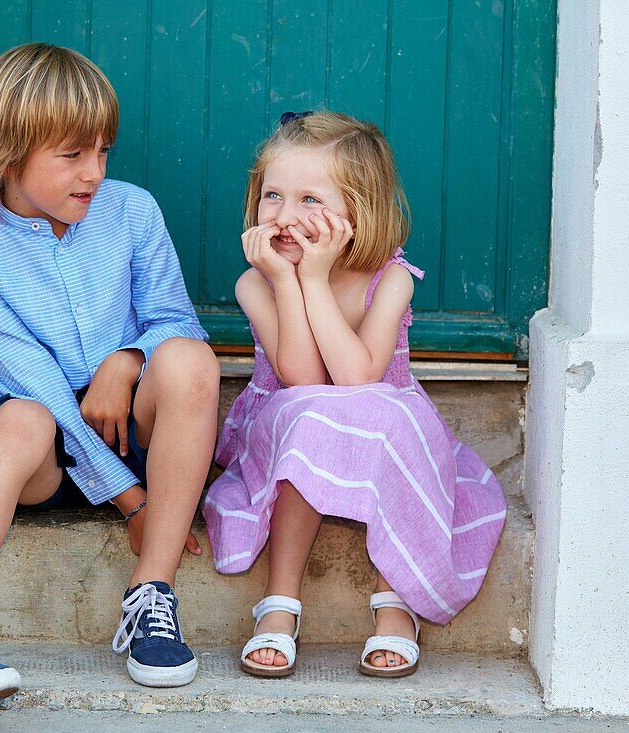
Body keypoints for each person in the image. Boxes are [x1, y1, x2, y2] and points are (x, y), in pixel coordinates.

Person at [0, 43, 220, 717]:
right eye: (74, 154)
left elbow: (174, 320)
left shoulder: (132, 212)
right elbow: (39, 384)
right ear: (7, 150)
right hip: (41, 446)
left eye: (104, 151)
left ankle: (151, 594)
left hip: (129, 422)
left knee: (189, 362)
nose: (95, 173)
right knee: (23, 415)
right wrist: (132, 500)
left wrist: (127, 360)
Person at [203, 111, 506, 679]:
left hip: (379, 413)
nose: (286, 217)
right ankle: (280, 603)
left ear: (357, 211)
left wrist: (314, 280)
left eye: (310, 200)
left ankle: (397, 601)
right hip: (288, 420)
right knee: (309, 416)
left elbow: (361, 378)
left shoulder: (389, 277)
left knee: (392, 418)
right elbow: (302, 379)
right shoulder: (255, 281)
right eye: (273, 195)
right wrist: (292, 281)